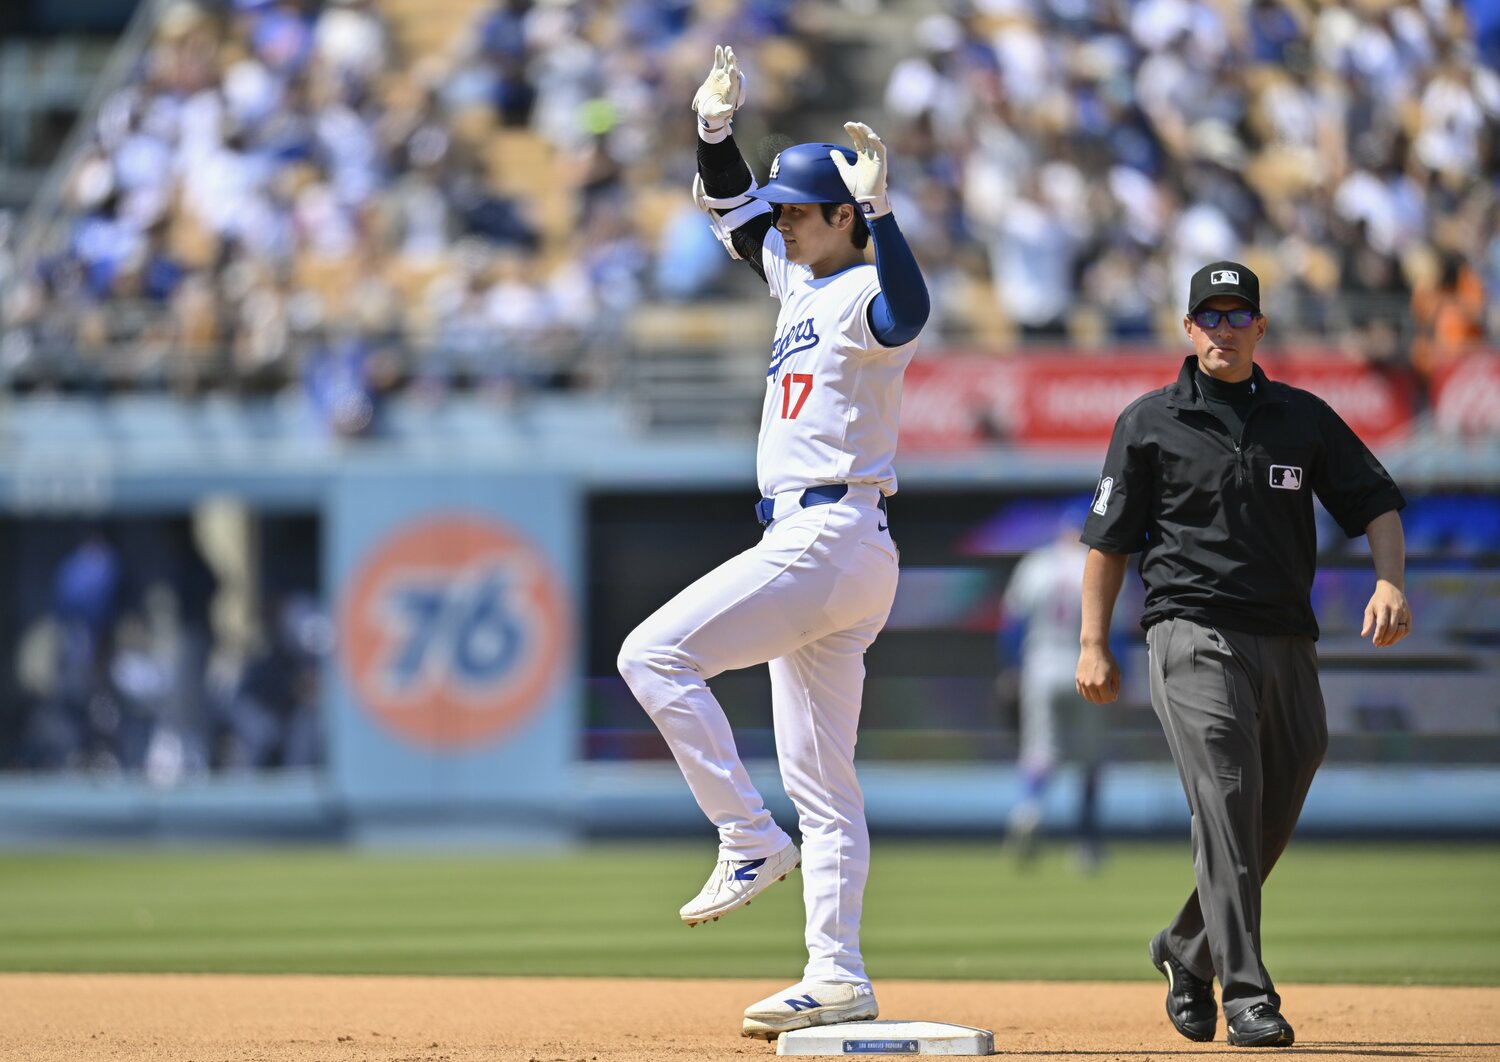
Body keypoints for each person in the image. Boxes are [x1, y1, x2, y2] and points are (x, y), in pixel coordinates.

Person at [617, 45, 928, 1042]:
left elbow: (910, 310)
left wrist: (883, 216)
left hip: (829, 530)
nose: (786, 220)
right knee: (826, 787)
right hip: (839, 546)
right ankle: (836, 973)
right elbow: (734, 206)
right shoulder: (798, 280)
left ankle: (747, 838)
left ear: (842, 216)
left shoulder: (864, 290)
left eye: (803, 209)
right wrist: (713, 130)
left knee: (651, 654)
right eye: (789, 210)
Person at [1075, 260, 1410, 1049]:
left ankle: (1185, 947)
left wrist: (1391, 581)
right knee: (1227, 794)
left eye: (1238, 315)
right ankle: (1247, 992)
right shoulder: (1148, 421)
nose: (1223, 329)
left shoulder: (1302, 417)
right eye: (1209, 316)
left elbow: (1377, 500)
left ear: (1261, 327)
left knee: (1283, 784)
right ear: (1187, 329)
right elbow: (1107, 543)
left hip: (1287, 635)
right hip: (1189, 630)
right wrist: (1094, 640)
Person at [998, 507, 1107, 872]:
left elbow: (1012, 624)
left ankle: (1029, 810)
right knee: (1089, 758)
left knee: (1039, 752)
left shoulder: (1037, 563)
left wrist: (1011, 668)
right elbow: (1117, 629)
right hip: (1086, 662)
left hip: (1040, 661)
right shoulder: (1098, 562)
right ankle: (1086, 845)